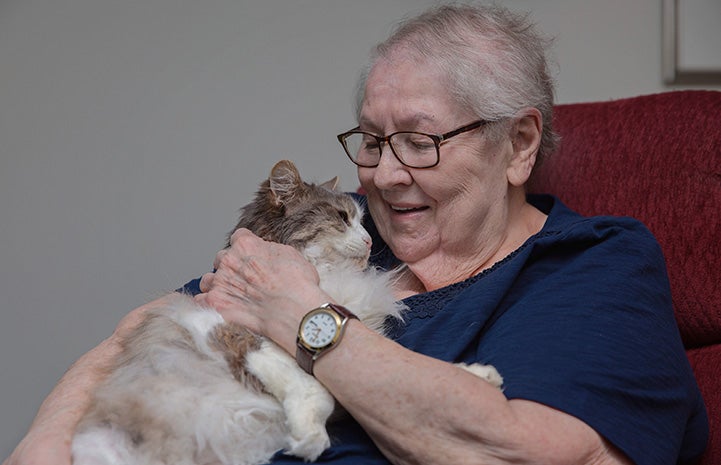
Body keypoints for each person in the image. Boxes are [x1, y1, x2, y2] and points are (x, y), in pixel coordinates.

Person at [4, 4, 708, 465]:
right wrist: (45, 441)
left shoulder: (590, 266)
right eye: (370, 141)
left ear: (518, 145)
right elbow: (153, 325)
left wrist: (309, 321)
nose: (386, 174)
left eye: (419, 141)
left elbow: (522, 454)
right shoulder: (344, 228)